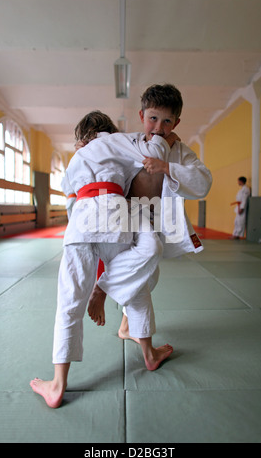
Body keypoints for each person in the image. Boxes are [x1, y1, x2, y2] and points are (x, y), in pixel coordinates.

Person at [30, 111, 177, 408]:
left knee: (70, 303)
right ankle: (149, 355)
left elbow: (68, 191)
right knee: (137, 291)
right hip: (116, 216)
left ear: (81, 137)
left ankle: (57, 385)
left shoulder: (77, 158)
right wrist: (165, 140)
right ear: (109, 129)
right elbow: (149, 159)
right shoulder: (123, 141)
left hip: (82, 218)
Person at [88, 84, 213, 341]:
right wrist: (84, 145)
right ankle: (102, 291)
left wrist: (167, 167)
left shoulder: (180, 152)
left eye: (167, 121)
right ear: (142, 115)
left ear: (177, 122)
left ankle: (125, 326)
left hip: (156, 219)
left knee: (149, 276)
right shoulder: (129, 143)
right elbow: (100, 146)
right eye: (153, 118)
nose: (158, 127)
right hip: (125, 217)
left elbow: (203, 181)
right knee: (144, 265)